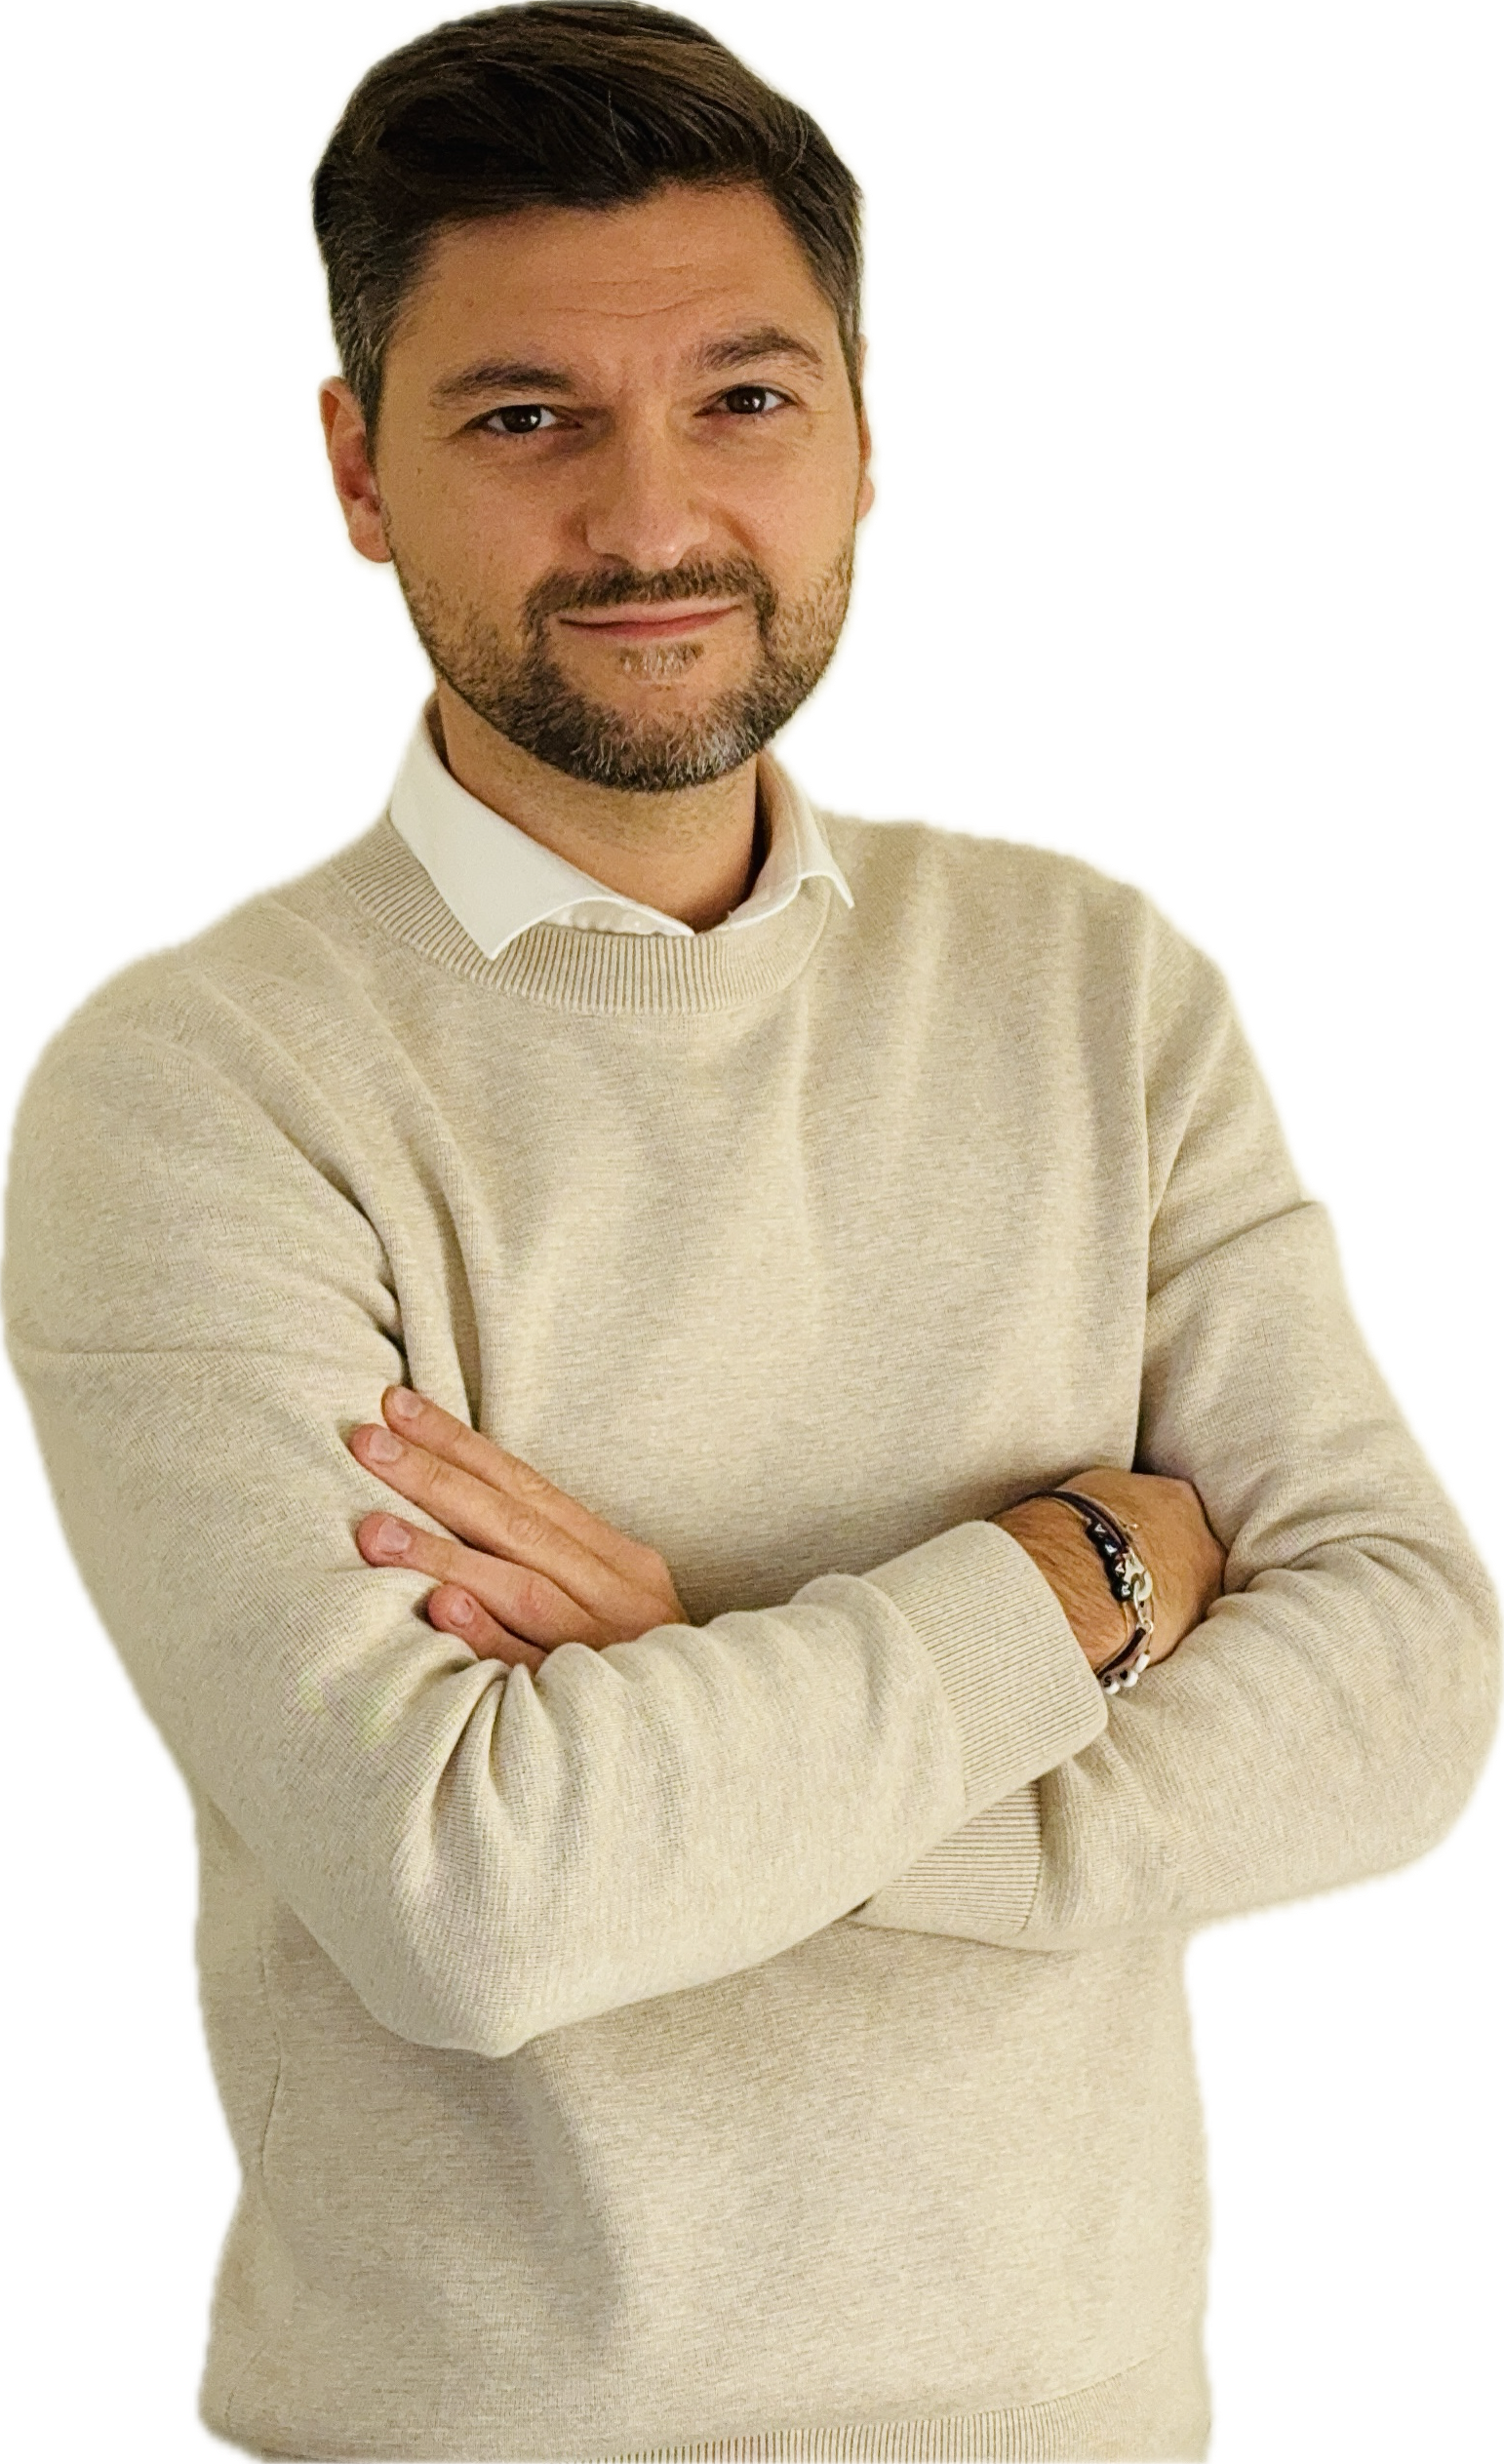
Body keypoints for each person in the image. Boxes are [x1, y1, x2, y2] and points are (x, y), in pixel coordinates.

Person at [2, 6, 1499, 2460]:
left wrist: (685, 1677)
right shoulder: (191, 1084)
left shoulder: (1096, 979)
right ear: (352, 471)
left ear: (867, 436)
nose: (651, 521)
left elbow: (1416, 1692)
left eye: (745, 398)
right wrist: (1071, 1586)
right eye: (527, 418)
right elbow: (472, 1895)